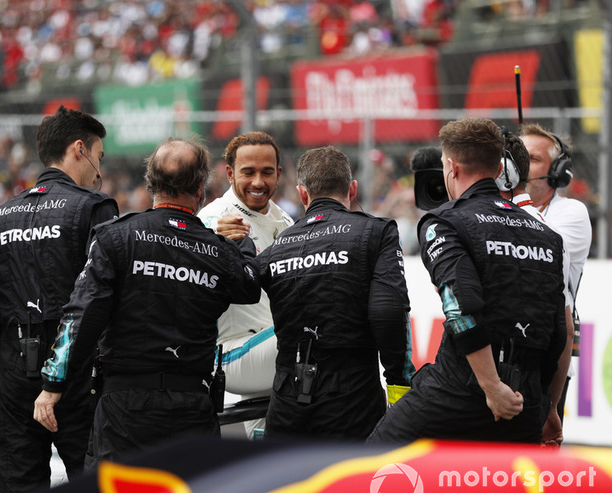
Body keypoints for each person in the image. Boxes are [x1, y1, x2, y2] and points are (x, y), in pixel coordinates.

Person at [33, 137, 261, 467]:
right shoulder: (219, 252)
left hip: (125, 411)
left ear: (150, 183)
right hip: (191, 408)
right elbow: (250, 286)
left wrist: (53, 384)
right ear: (200, 189)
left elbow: (81, 315)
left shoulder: (115, 237)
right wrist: (241, 242)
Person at [368, 117, 566, 444]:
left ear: (452, 166)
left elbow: (461, 306)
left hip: (463, 387)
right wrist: (545, 405)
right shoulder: (547, 235)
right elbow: (558, 330)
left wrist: (493, 388)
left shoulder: (444, 222)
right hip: (526, 398)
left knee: (367, 468)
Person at [0, 106, 118, 493]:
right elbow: (100, 300)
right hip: (76, 377)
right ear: (79, 149)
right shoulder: (95, 206)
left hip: (12, 376)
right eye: (99, 157)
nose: (99, 170)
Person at [258, 146, 414, 441]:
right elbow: (389, 312)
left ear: (303, 195)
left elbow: (238, 287)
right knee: (351, 486)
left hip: (286, 399)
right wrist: (399, 385)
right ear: (352, 189)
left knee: (287, 488)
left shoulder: (274, 249)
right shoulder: (376, 232)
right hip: (353, 397)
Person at [197, 131, 294, 439]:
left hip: (269, 352)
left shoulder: (287, 222)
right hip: (229, 355)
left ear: (278, 173)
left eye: (266, 172)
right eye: (247, 172)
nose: (257, 182)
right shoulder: (213, 220)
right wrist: (214, 241)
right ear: (229, 173)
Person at [520, 123, 593, 444]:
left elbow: (540, 252)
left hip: (545, 364)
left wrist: (513, 196)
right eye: (515, 157)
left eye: (532, 159)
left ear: (558, 172)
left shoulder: (571, 212)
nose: (520, 164)